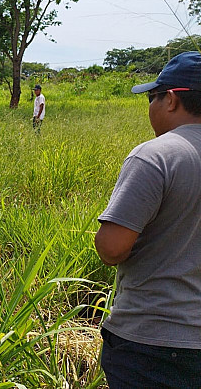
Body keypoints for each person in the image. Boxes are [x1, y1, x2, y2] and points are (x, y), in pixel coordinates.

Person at [94, 51, 201, 388]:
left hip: (153, 341)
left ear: (170, 100)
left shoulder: (156, 155)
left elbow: (111, 249)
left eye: (152, 97)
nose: (150, 107)